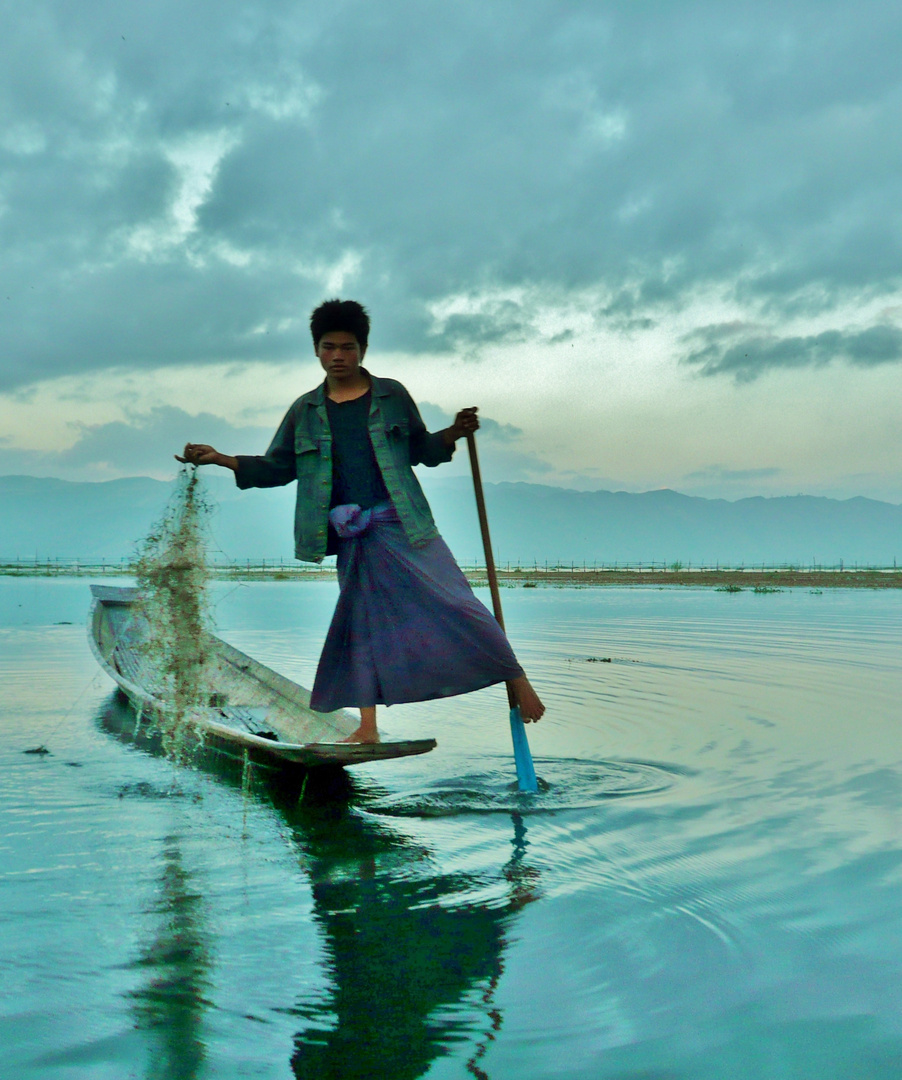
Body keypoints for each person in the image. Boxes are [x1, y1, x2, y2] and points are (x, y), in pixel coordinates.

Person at [177, 298, 544, 742]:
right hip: (350, 533)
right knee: (361, 624)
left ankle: (517, 679)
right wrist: (221, 459)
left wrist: (453, 433)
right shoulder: (305, 411)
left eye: (347, 347)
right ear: (316, 351)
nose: (338, 355)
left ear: (363, 349)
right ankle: (367, 728)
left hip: (404, 522)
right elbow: (279, 466)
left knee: (456, 600)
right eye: (328, 346)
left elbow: (421, 451)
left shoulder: (391, 396)